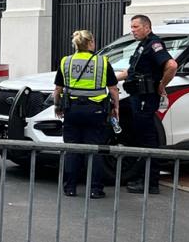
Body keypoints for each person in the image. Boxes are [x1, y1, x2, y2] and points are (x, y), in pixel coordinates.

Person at [115, 14, 177, 194]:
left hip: (145, 99)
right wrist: (110, 78)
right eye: (132, 27)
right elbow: (132, 71)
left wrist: (161, 85)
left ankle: (150, 183)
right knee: (141, 138)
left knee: (148, 140)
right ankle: (143, 178)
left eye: (136, 27)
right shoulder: (143, 45)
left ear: (147, 27)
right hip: (138, 97)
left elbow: (172, 65)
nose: (132, 30)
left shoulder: (154, 44)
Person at [54, 30, 118, 199]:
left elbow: (58, 89)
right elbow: (113, 89)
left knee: (72, 149)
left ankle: (70, 188)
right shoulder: (102, 62)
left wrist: (57, 106)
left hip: (72, 110)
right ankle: (95, 189)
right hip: (96, 111)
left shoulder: (66, 61)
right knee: (94, 149)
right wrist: (116, 107)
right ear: (90, 43)